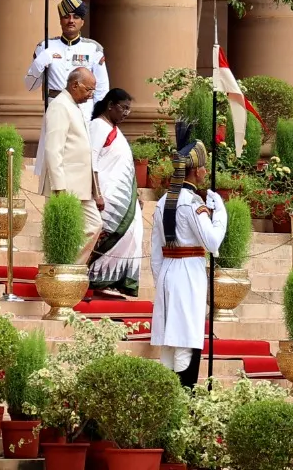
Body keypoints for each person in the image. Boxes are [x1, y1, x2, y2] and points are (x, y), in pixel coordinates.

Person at [151, 122, 227, 387]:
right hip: (189, 272)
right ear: (194, 172)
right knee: (187, 339)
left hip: (168, 272)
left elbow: (154, 253)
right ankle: (186, 396)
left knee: (170, 343)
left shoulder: (162, 202)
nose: (206, 171)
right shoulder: (193, 203)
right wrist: (221, 214)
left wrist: (162, 279)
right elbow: (213, 241)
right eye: (203, 167)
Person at [26, 0, 109, 184]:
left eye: (75, 17)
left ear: (82, 21)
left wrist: (95, 116)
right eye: (66, 16)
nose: (70, 20)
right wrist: (40, 63)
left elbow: (102, 89)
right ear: (61, 20)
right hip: (56, 107)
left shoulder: (93, 49)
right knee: (54, 159)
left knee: (81, 161)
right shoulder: (45, 46)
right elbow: (29, 85)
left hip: (84, 110)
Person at [86, 88, 143, 298]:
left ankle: (114, 280)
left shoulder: (116, 130)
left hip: (124, 197)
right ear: (111, 105)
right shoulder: (98, 126)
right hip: (107, 196)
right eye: (124, 108)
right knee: (112, 234)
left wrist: (134, 194)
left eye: (129, 109)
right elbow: (90, 160)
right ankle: (96, 277)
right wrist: (97, 193)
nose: (126, 113)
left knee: (133, 235)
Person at [40, 67, 105, 242]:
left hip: (80, 185)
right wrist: (59, 187)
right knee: (62, 234)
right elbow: (53, 149)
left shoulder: (72, 105)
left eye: (93, 90)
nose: (91, 94)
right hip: (65, 185)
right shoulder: (60, 106)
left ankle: (72, 266)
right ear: (75, 85)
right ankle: (64, 266)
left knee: (93, 225)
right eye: (89, 89)